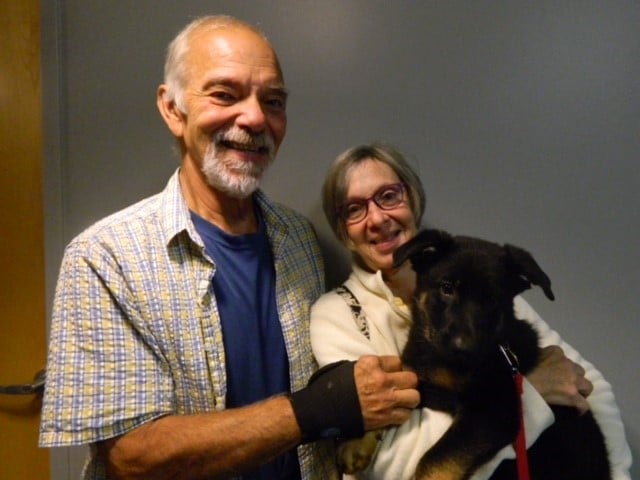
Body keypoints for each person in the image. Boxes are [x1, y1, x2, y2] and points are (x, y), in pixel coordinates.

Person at [38, 17, 421, 480]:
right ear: (173, 109)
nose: (255, 118)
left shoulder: (298, 238)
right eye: (224, 94)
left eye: (272, 101)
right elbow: (131, 457)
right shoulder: (104, 258)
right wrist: (314, 411)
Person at [310, 143, 632, 480]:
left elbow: (591, 388)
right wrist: (530, 395)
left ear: (413, 199)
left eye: (389, 196)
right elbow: (392, 462)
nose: (377, 218)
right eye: (354, 209)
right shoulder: (337, 316)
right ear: (342, 227)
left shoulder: (489, 283)